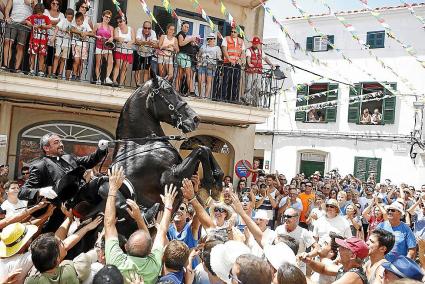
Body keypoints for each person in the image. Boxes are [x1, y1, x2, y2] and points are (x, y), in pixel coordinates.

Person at [18, 133, 108, 232]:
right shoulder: (40, 166)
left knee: (102, 180)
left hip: (81, 198)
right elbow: (22, 192)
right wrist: (40, 191)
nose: (61, 144)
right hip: (60, 210)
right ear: (46, 148)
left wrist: (101, 149)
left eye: (61, 141)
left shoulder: (68, 157)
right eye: (56, 142)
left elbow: (89, 161)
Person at [104, 165, 177, 283]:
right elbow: (162, 232)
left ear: (126, 246)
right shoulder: (153, 267)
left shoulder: (115, 261)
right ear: (150, 252)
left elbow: (108, 223)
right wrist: (168, 206)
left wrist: (112, 189)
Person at [303, 237, 369, 284]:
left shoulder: (354, 275)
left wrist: (301, 277)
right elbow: (324, 269)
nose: (338, 249)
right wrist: (309, 261)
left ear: (352, 256)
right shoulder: (346, 269)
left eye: (343, 247)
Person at [275, 207, 319, 274]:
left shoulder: (303, 232)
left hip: (298, 269)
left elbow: (317, 248)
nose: (286, 218)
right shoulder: (279, 229)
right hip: (281, 267)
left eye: (289, 216)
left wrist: (307, 255)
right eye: (284, 216)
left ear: (296, 218)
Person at [2, 0, 34, 72]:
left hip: (24, 24)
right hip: (12, 21)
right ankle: (5, 65)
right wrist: (7, 17)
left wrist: (31, 3)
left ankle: (17, 68)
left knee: (20, 46)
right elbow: (7, 8)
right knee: (7, 41)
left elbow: (38, 10)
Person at [244, 36, 274, 104]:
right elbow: (248, 57)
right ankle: (247, 100)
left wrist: (271, 64)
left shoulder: (260, 51)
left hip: (258, 72)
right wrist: (249, 63)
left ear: (258, 44)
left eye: (257, 43)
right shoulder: (249, 50)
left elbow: (265, 58)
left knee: (258, 87)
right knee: (248, 86)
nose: (255, 44)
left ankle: (249, 99)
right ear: (252, 43)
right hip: (250, 71)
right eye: (254, 43)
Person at [25, 3, 51, 76]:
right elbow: (26, 21)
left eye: (40, 12)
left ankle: (40, 70)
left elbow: (50, 25)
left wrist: (43, 26)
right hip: (34, 39)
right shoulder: (33, 16)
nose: (39, 14)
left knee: (41, 55)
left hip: (42, 40)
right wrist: (30, 24)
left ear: (42, 11)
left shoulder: (45, 17)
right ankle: (31, 70)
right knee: (32, 55)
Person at [221, 27, 245, 102]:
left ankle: (234, 99)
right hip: (228, 63)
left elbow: (243, 52)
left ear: (238, 33)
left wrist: (240, 59)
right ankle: (224, 98)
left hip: (237, 64)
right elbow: (224, 50)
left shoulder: (241, 41)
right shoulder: (226, 38)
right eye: (232, 32)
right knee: (226, 81)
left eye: (234, 32)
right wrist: (230, 59)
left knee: (235, 82)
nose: (233, 33)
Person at [112, 15, 134, 87]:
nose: (119, 23)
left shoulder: (131, 29)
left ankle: (121, 84)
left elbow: (133, 40)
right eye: (118, 22)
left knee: (125, 68)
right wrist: (121, 39)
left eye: (120, 21)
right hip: (120, 50)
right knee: (118, 65)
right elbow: (116, 37)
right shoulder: (116, 29)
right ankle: (114, 81)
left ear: (125, 21)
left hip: (128, 51)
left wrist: (129, 42)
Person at [43, 0, 64, 77]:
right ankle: (45, 72)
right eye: (53, 3)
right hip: (46, 36)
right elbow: (45, 21)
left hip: (57, 38)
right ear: (50, 3)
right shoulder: (45, 11)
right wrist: (56, 22)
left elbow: (61, 25)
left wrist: (50, 22)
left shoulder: (61, 14)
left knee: (55, 56)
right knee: (46, 55)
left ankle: (52, 73)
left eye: (57, 4)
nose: (55, 5)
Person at [197, 33, 222, 98]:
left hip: (211, 65)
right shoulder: (203, 46)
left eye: (211, 38)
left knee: (208, 81)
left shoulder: (217, 48)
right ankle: (200, 95)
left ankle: (206, 96)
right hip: (202, 64)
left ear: (214, 39)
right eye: (209, 39)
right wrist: (199, 62)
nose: (210, 40)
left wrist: (219, 60)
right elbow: (199, 55)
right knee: (200, 80)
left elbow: (219, 57)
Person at [93, 10, 114, 85]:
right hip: (99, 46)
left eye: (109, 17)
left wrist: (111, 39)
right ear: (102, 16)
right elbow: (92, 34)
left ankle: (107, 78)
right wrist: (97, 36)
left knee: (111, 62)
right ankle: (98, 79)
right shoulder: (97, 25)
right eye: (106, 16)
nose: (107, 18)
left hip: (107, 46)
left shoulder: (111, 28)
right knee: (99, 63)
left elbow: (112, 37)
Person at [175, 22, 197, 96]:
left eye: (188, 27)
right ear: (181, 27)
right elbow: (181, 43)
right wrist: (190, 39)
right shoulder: (180, 34)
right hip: (183, 55)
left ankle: (177, 90)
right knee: (188, 74)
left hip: (185, 56)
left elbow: (185, 44)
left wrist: (191, 42)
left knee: (180, 74)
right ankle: (191, 91)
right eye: (185, 26)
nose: (186, 28)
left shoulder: (184, 35)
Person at [70, 11, 93, 81]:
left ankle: (79, 76)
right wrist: (80, 32)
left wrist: (85, 34)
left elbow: (91, 33)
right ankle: (74, 74)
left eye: (79, 21)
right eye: (76, 21)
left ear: (82, 20)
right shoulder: (74, 24)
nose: (77, 22)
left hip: (83, 45)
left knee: (81, 62)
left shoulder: (86, 25)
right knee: (76, 60)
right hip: (75, 44)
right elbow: (71, 29)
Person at [133, 20, 157, 86]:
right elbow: (137, 41)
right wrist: (147, 43)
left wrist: (143, 42)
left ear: (151, 29)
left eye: (149, 28)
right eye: (145, 28)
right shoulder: (139, 30)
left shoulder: (153, 32)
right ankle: (137, 85)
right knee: (137, 70)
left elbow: (154, 43)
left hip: (148, 53)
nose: (147, 29)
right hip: (139, 52)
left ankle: (144, 85)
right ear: (143, 27)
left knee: (147, 70)